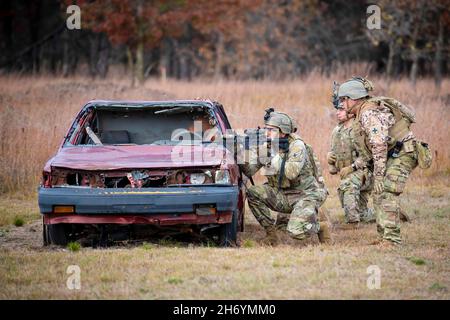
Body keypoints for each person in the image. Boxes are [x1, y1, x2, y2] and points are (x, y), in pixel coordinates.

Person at [336, 77, 419, 245]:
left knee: (386, 189)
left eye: (344, 100)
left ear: (354, 98)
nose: (342, 104)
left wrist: (379, 176)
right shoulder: (362, 113)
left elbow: (379, 145)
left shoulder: (368, 113)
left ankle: (391, 240)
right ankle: (383, 238)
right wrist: (354, 167)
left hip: (403, 153)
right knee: (379, 193)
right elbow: (370, 152)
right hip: (393, 154)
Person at [240, 108, 329, 245]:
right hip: (283, 193)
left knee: (295, 231)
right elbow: (249, 171)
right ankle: (271, 235)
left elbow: (290, 172)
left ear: (283, 132)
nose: (267, 133)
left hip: (305, 194)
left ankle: (320, 226)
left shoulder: (297, 146)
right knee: (253, 192)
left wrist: (272, 153)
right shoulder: (267, 145)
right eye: (266, 129)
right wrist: (241, 151)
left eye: (271, 130)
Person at [327, 105, 375, 227]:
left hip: (365, 173)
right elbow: (334, 153)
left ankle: (352, 223)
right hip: (348, 174)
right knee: (363, 214)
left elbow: (368, 155)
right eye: (337, 110)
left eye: (342, 110)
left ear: (352, 112)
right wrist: (330, 159)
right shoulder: (337, 131)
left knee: (347, 185)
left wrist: (352, 167)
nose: (338, 113)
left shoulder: (359, 130)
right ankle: (388, 212)